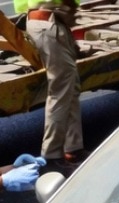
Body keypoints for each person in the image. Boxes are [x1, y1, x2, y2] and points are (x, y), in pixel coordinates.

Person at [15, 0, 87, 173]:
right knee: (61, 90)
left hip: (42, 21)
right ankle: (52, 155)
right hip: (48, 23)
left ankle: (73, 147)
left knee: (70, 86)